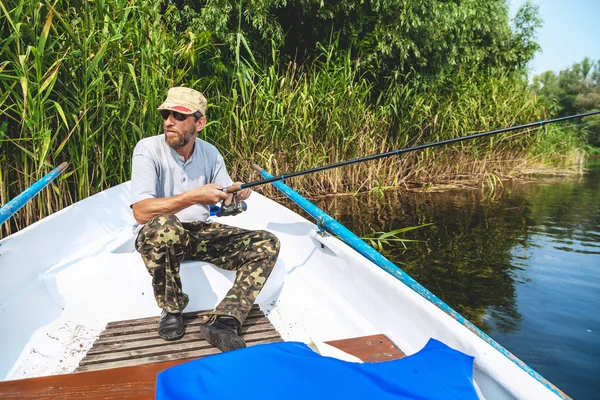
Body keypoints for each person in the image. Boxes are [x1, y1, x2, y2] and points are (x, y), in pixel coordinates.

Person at [130, 87, 280, 352]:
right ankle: (172, 309)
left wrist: (235, 196)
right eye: (166, 114)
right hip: (158, 234)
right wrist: (193, 196)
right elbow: (141, 211)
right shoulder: (147, 149)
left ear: (199, 123)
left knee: (266, 242)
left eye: (178, 116)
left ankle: (225, 320)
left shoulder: (210, 153)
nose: (168, 122)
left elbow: (223, 206)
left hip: (198, 232)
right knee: (167, 227)